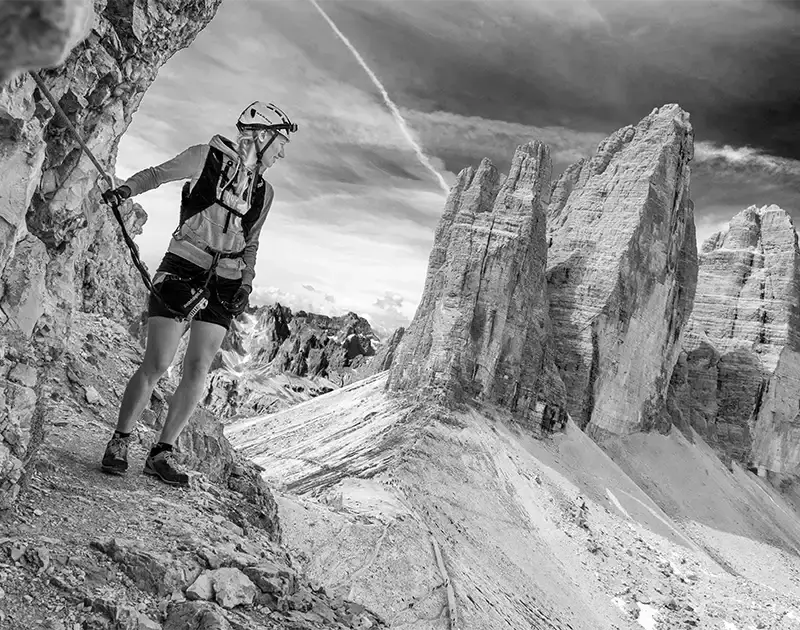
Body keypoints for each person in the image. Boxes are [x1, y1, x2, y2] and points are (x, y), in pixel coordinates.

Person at [98, 101, 297, 487]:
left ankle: (162, 452)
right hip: (184, 267)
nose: (282, 153)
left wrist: (246, 282)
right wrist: (125, 190)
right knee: (157, 362)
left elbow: (252, 241)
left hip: (225, 279)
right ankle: (120, 441)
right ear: (261, 136)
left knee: (199, 368)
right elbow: (158, 174)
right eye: (280, 143)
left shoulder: (264, 191)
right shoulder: (204, 157)